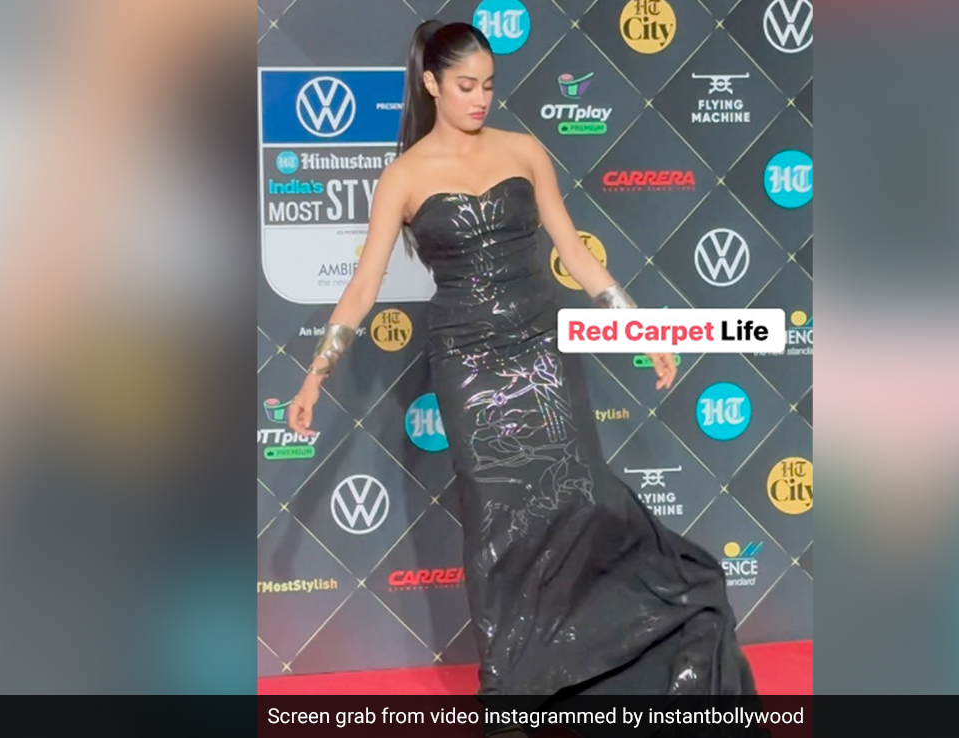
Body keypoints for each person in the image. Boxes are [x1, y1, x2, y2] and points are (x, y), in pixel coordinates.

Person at [287, 20, 757, 710]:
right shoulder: (404, 176)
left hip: (542, 350)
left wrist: (640, 327)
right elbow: (363, 286)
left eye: (488, 85)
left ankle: (618, 656)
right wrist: (315, 375)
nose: (481, 98)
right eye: (466, 86)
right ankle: (511, 685)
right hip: (468, 364)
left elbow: (576, 252)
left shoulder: (524, 150)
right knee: (497, 522)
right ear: (431, 84)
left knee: (586, 496)